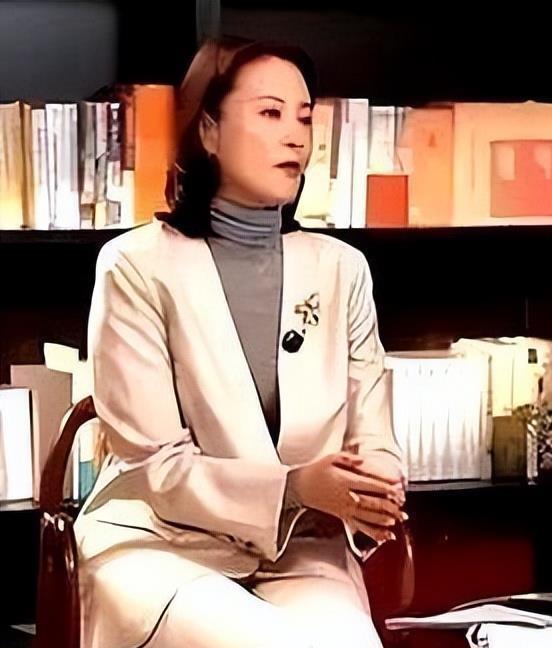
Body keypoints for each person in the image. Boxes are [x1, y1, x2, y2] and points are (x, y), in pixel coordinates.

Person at [76, 37, 406, 648]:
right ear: (208, 130)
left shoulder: (342, 270)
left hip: (298, 547)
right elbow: (156, 467)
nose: (295, 137)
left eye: (304, 118)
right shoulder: (135, 266)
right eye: (270, 113)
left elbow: (374, 435)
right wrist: (296, 486)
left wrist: (373, 488)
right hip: (159, 543)